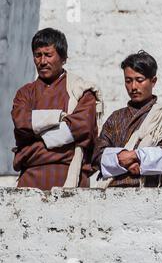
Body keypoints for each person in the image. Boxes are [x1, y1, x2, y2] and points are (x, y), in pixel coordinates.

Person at [11, 28, 102, 190]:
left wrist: (28, 151)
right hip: (30, 180)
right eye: (38, 55)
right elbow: (21, 122)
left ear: (63, 58)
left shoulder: (82, 91)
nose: (42, 61)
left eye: (48, 54)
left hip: (71, 177)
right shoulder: (24, 93)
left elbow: (82, 127)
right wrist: (66, 147)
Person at [92, 51, 162, 188]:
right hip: (114, 196)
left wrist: (136, 156)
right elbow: (97, 157)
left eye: (139, 80)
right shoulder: (115, 119)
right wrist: (123, 160)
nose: (133, 87)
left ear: (153, 81)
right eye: (128, 81)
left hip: (153, 195)